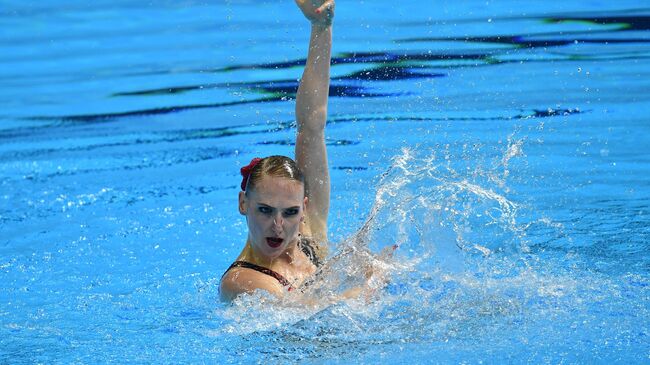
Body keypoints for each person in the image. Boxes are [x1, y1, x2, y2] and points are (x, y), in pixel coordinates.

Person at [220, 0, 336, 301]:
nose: (278, 226)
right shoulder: (240, 280)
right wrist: (370, 284)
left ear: (304, 208)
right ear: (244, 203)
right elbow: (308, 311)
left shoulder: (307, 235)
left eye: (291, 212)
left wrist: (321, 27)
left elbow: (311, 127)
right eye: (265, 210)